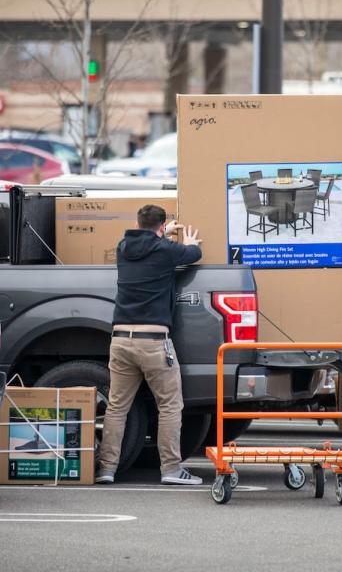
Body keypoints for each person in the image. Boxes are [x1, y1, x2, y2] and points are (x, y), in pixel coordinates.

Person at [96, 205, 203, 485]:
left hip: (120, 340)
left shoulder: (122, 248)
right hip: (154, 342)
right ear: (162, 226)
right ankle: (170, 470)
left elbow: (145, 244)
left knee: (117, 407)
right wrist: (187, 241)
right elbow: (194, 254)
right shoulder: (167, 251)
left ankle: (106, 469)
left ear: (136, 222)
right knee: (169, 406)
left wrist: (160, 234)